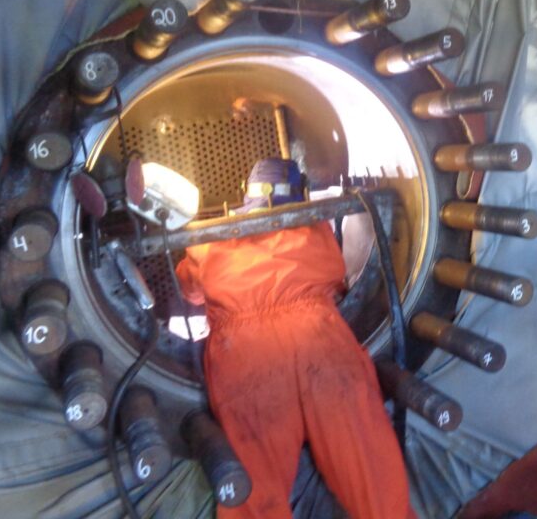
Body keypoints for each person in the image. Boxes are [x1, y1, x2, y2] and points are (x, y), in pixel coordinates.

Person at [176, 158, 413, 519]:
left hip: (248, 356)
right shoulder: (312, 229)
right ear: (300, 194)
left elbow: (188, 290)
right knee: (369, 466)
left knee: (254, 490)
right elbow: (339, 277)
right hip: (320, 340)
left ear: (246, 193)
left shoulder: (211, 239)